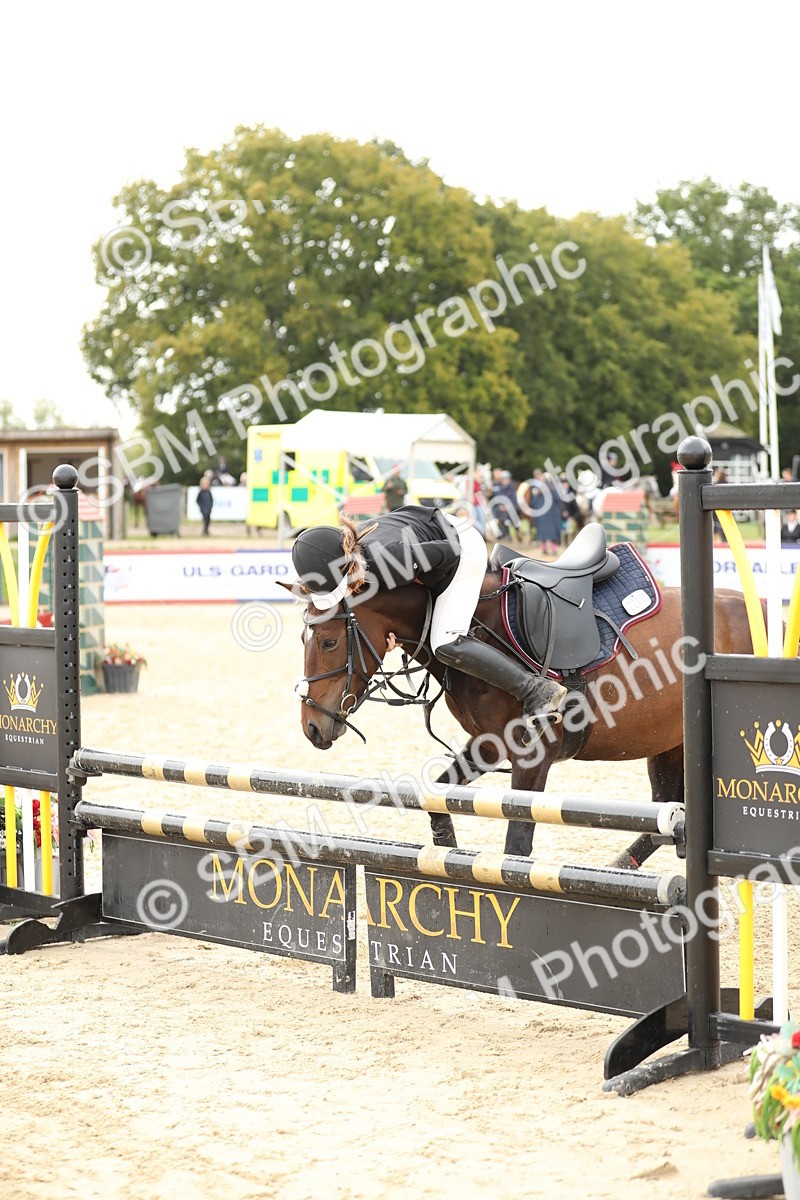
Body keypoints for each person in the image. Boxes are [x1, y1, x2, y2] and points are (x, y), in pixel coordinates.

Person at [290, 506, 566, 730]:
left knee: (445, 641)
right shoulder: (347, 561)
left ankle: (536, 691)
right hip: (428, 538)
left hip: (461, 546)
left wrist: (432, 609)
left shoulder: (389, 561)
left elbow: (449, 554)